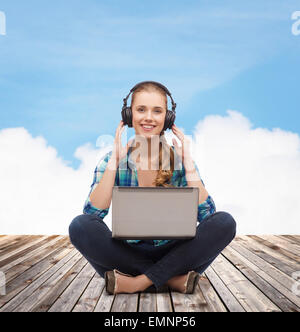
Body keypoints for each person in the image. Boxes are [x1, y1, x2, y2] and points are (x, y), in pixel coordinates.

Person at [68, 81, 236, 295]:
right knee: (80, 226)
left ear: (167, 118)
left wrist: (189, 164)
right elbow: (92, 214)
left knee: (225, 222)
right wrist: (114, 163)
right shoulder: (112, 160)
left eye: (157, 111)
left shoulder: (180, 161)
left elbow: (208, 216)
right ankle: (172, 280)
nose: (148, 117)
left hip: (176, 252)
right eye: (141, 110)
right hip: (127, 253)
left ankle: (137, 283)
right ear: (129, 115)